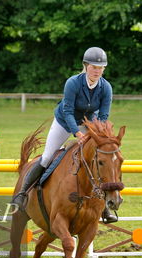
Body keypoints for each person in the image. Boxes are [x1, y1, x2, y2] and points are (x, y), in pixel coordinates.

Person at [13, 47, 118, 223]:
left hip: (88, 124)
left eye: (100, 68)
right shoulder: (73, 83)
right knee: (46, 158)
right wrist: (76, 133)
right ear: (85, 66)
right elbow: (68, 111)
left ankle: (105, 208)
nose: (96, 71)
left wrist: (96, 134)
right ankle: (22, 194)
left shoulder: (106, 87)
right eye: (93, 67)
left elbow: (104, 116)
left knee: (96, 160)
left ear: (104, 69)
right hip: (63, 122)